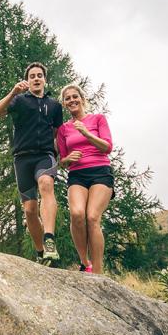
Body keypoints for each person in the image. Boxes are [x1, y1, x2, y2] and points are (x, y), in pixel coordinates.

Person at [0, 62, 63, 265]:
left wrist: (60, 156)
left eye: (40, 75)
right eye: (32, 76)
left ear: (45, 79)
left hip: (45, 156)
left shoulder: (55, 105)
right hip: (22, 158)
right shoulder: (19, 101)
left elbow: (57, 135)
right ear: (28, 80)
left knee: (46, 183)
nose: (36, 78)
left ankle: (49, 239)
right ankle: (42, 253)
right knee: (30, 210)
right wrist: (13, 93)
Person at [56, 84, 114, 274]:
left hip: (100, 171)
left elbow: (107, 147)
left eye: (75, 96)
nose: (72, 100)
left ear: (82, 98)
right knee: (77, 214)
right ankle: (85, 262)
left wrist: (86, 133)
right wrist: (67, 159)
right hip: (77, 174)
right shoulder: (63, 129)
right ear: (64, 104)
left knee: (92, 217)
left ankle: (97, 271)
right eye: (67, 98)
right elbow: (62, 160)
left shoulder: (97, 119)